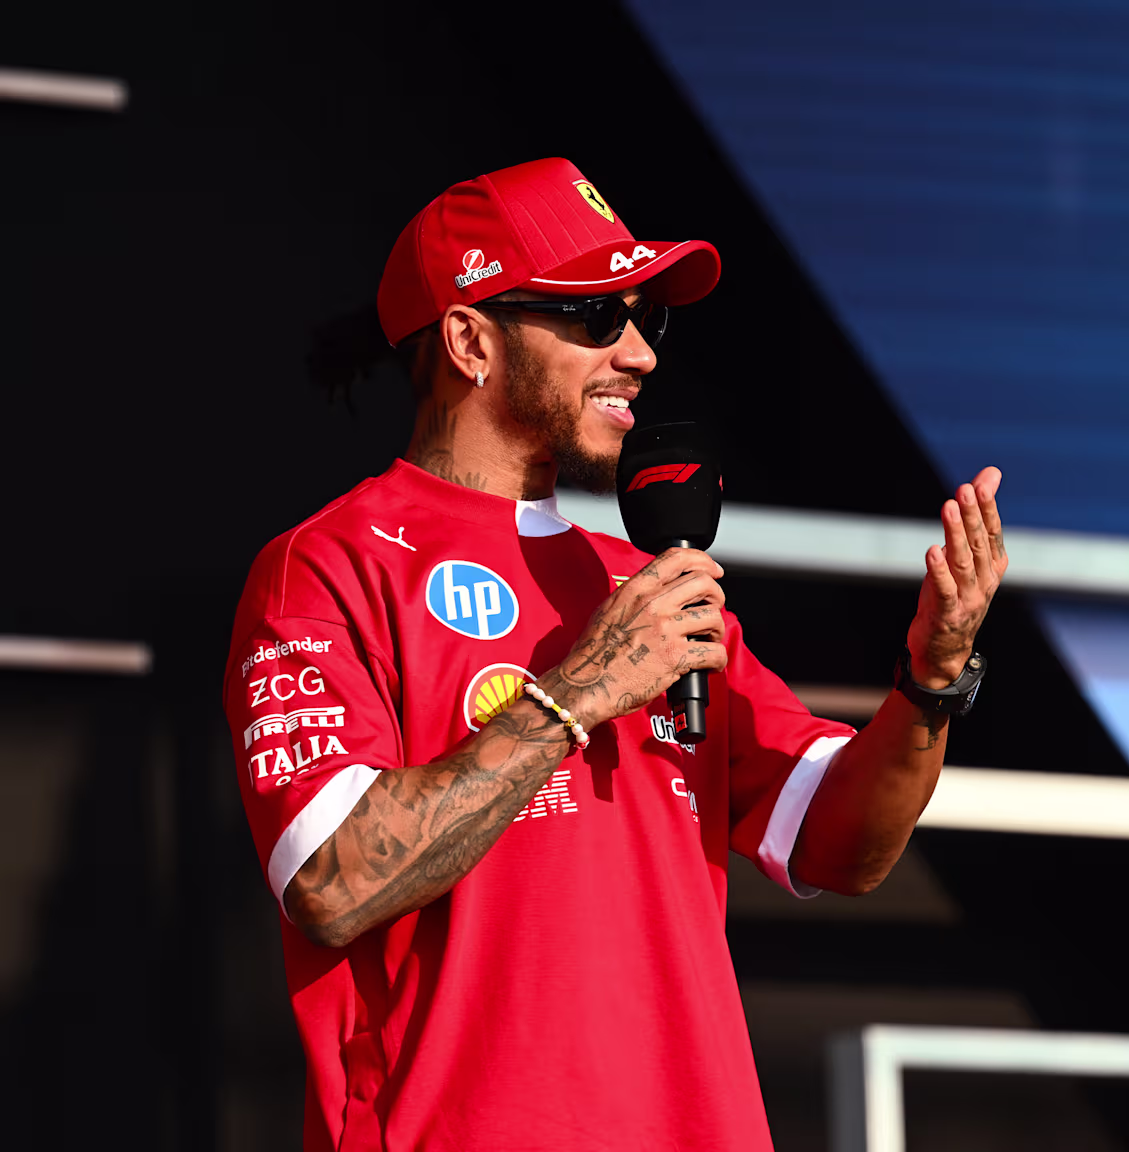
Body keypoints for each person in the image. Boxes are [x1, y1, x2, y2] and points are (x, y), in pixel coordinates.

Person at [222, 157, 1007, 1151]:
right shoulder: (326, 564)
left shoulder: (648, 583)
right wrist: (578, 694)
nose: (637, 353)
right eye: (596, 317)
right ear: (469, 340)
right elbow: (332, 884)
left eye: (646, 320)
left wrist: (929, 681)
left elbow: (842, 849)